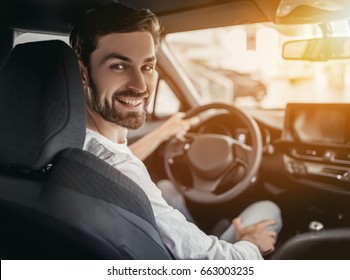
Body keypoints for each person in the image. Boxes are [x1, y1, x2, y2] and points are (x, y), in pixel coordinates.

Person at [69, 3, 282, 259]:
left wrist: (162, 133)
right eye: (119, 66)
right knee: (267, 209)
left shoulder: (75, 146)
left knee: (168, 188)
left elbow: (115, 161)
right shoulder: (121, 170)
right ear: (83, 74)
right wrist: (251, 243)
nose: (140, 86)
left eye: (147, 67)